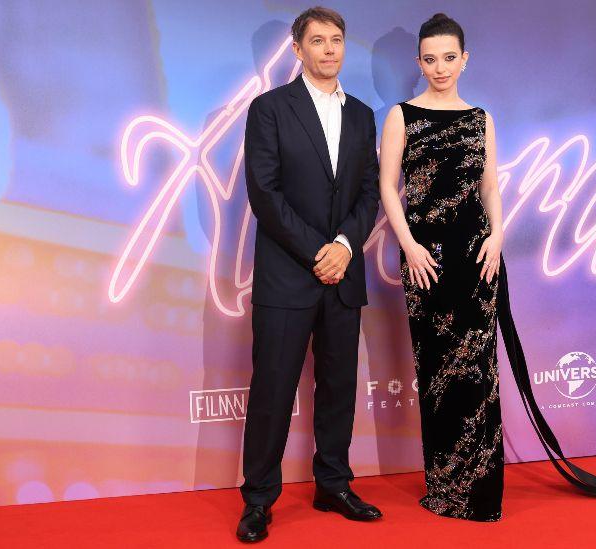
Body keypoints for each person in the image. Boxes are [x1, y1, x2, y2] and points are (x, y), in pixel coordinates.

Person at [377, 13, 596, 522]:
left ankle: (481, 494)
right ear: (418, 62)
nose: (440, 67)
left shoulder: (480, 118)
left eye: (449, 57)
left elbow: (490, 187)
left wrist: (497, 238)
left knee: (479, 373)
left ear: (465, 59)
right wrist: (409, 246)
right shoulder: (402, 116)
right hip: (426, 260)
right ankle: (445, 487)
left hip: (476, 256)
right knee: (437, 373)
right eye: (430, 58)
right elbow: (388, 187)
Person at [238, 5, 383, 543]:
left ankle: (334, 484)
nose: (329, 49)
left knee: (339, 387)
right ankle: (258, 500)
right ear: (297, 50)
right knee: (273, 390)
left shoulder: (364, 115)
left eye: (337, 40)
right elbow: (265, 194)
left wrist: (344, 245)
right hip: (287, 277)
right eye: (317, 41)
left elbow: (369, 193)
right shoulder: (269, 110)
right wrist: (318, 251)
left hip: (343, 274)